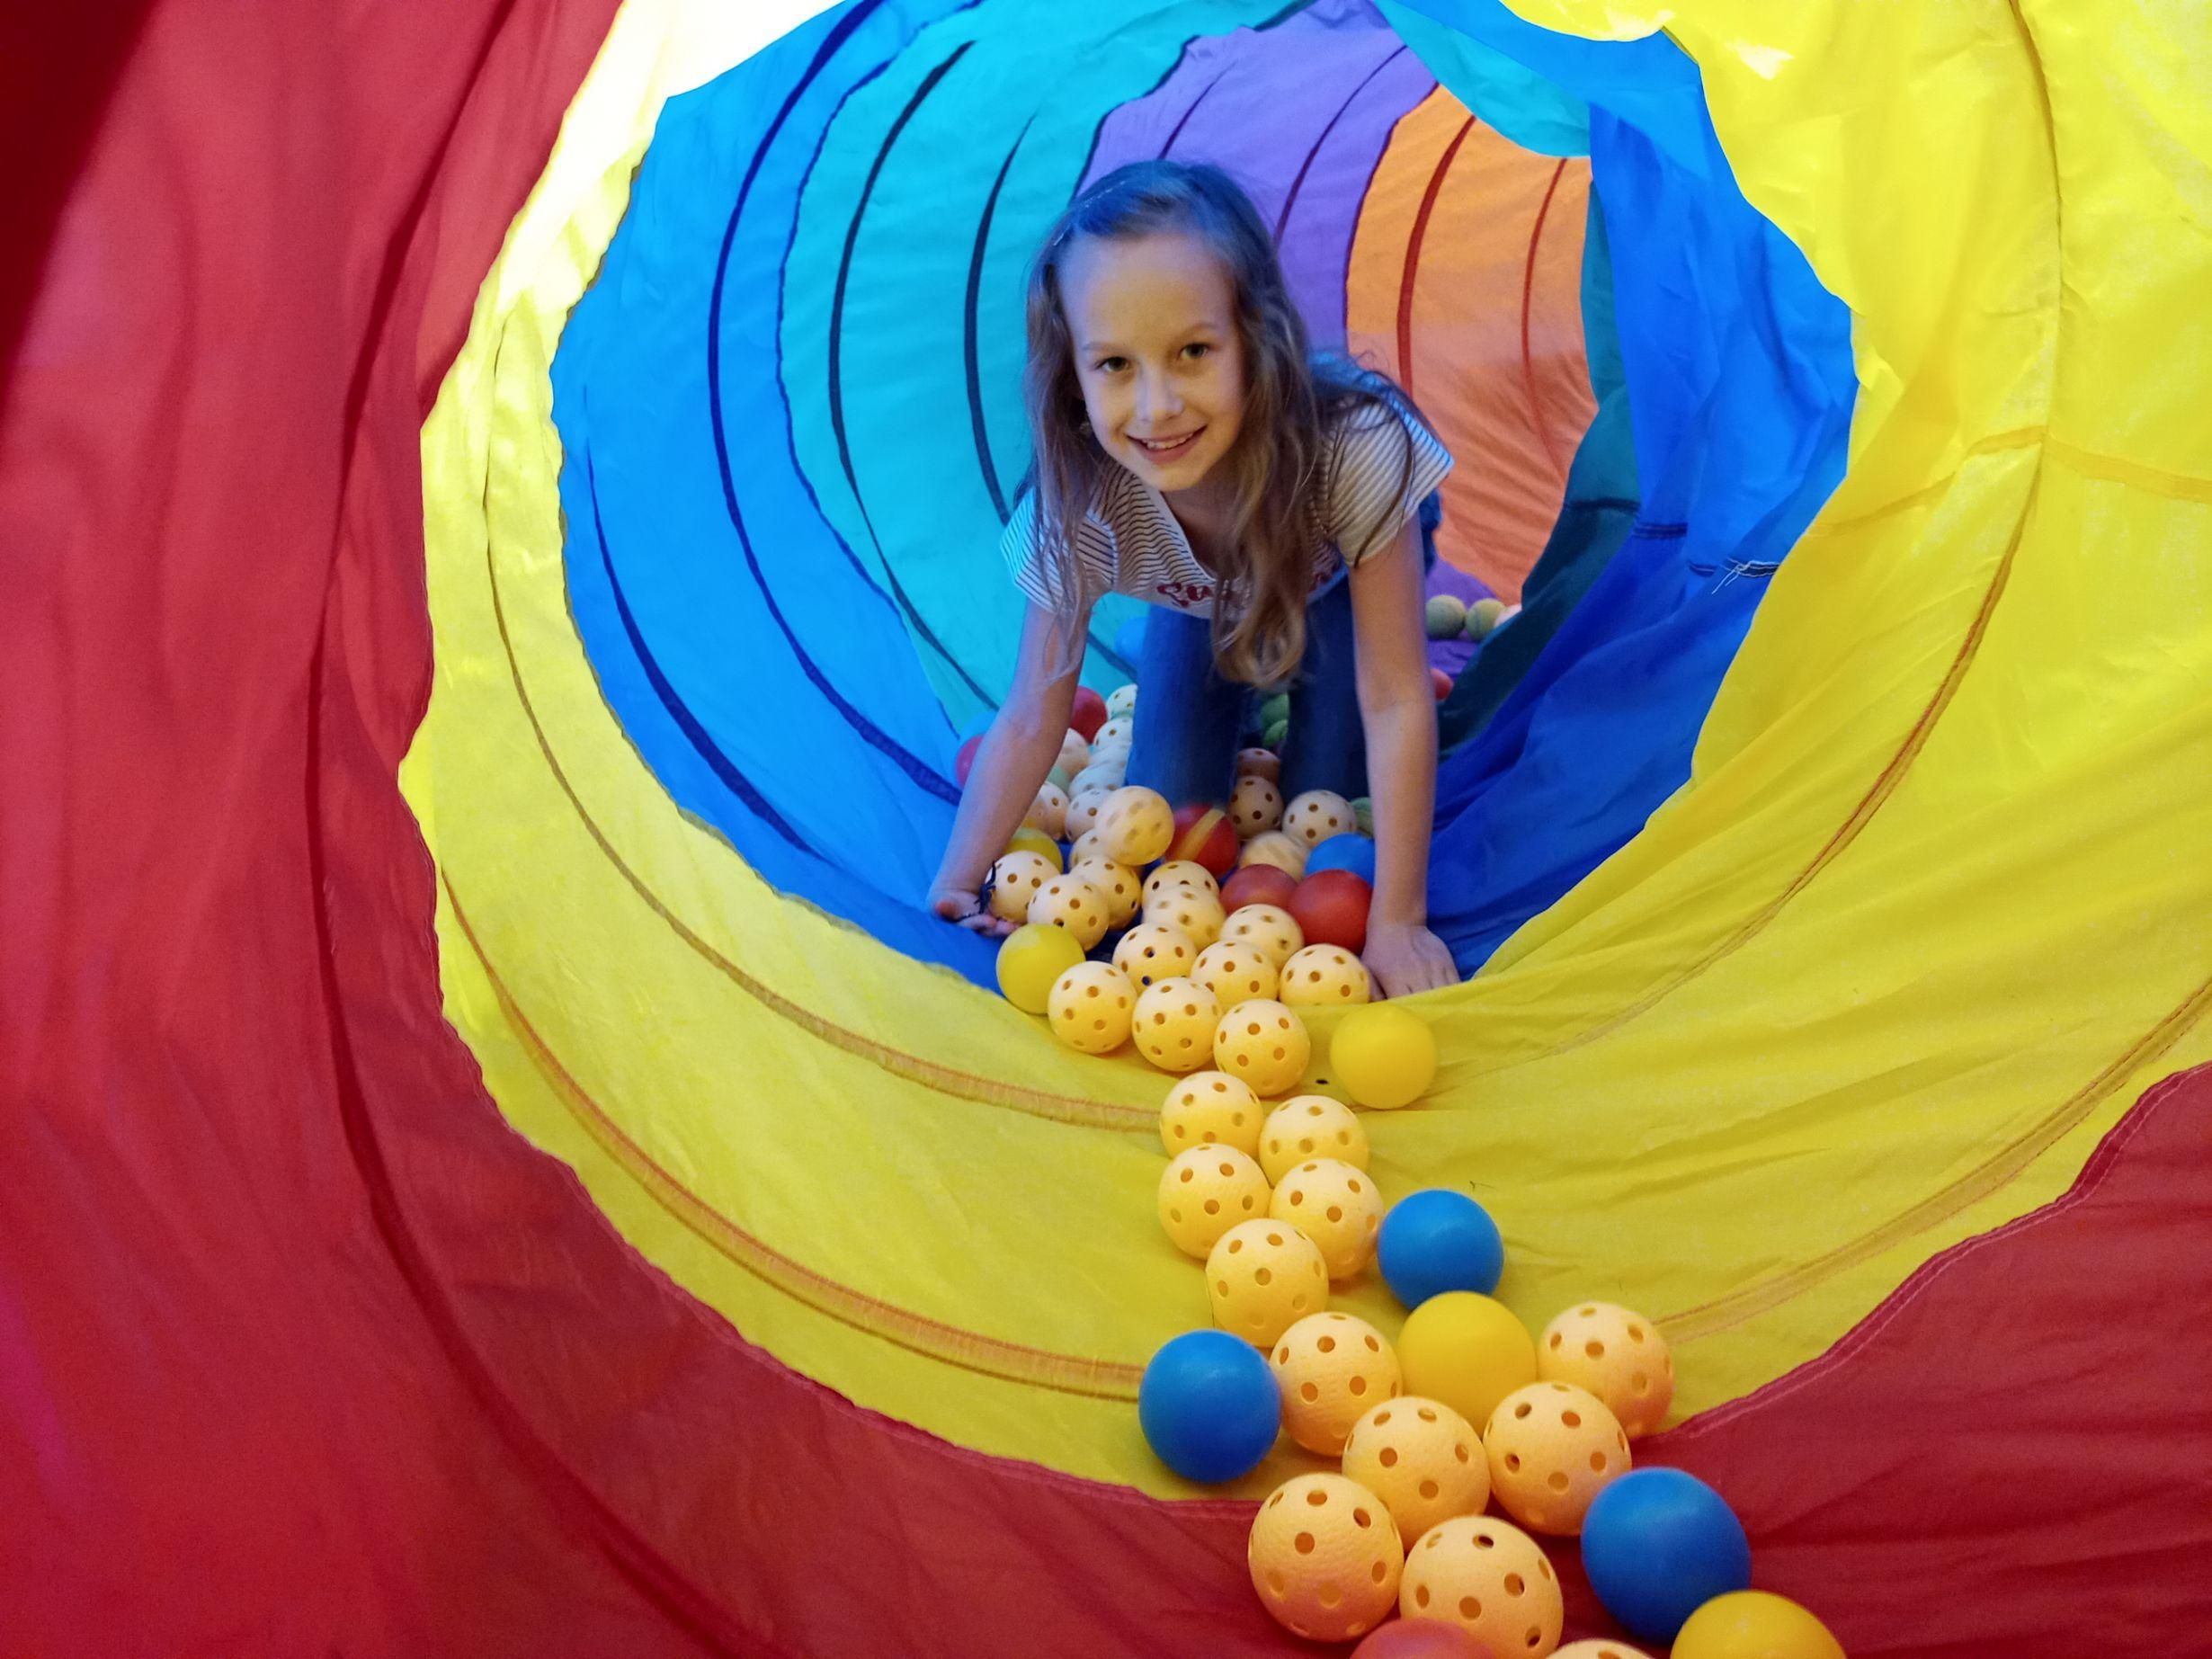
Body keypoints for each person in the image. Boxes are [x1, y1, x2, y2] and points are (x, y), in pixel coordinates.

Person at [928, 160, 1459, 997]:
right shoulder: (1082, 501)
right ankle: (1214, 643)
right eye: (1115, 364)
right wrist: (959, 879)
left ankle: (1274, 648)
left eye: (1193, 352)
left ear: (1255, 337)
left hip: (1340, 562)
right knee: (1173, 809)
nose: (1157, 407)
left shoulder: (1356, 448)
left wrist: (1397, 921)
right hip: (1200, 595)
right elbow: (1033, 711)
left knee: (1326, 788)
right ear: (1073, 373)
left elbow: (1395, 698)